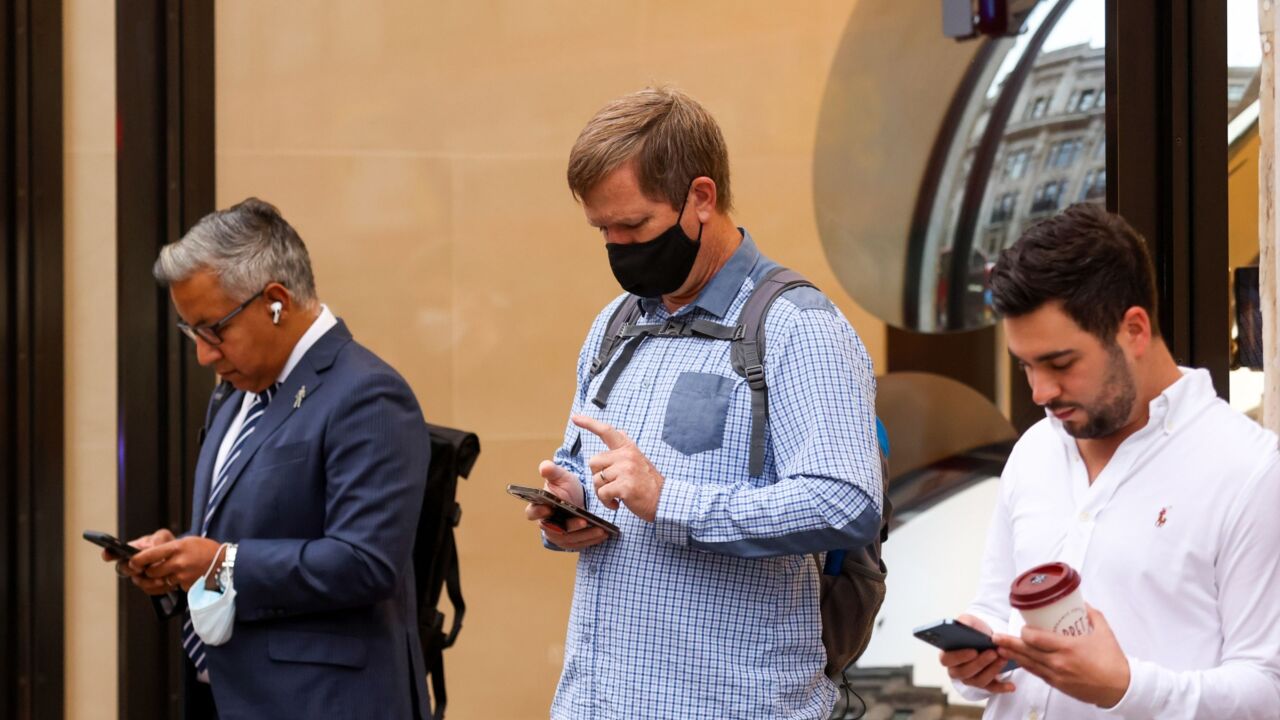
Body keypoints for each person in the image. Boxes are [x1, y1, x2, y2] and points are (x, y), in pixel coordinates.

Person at [523, 86, 883, 719]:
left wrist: (670, 503)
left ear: (701, 198)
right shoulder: (613, 325)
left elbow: (847, 501)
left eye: (633, 225)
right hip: (596, 702)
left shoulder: (800, 327)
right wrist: (572, 504)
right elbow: (594, 467)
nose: (617, 246)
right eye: (602, 229)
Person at [940, 203, 1280, 718]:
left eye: (1060, 363)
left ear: (1135, 330)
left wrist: (1124, 687)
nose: (1039, 391)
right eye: (1026, 365)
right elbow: (997, 610)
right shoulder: (1034, 450)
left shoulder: (1249, 471)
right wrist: (980, 658)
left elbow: (1268, 688)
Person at [107, 198, 432, 719]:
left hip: (320, 702)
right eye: (191, 332)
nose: (204, 355)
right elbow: (243, 528)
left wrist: (221, 563)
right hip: (229, 692)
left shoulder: (368, 394)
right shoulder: (234, 392)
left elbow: (367, 562)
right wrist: (183, 560)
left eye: (213, 329)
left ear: (275, 301)